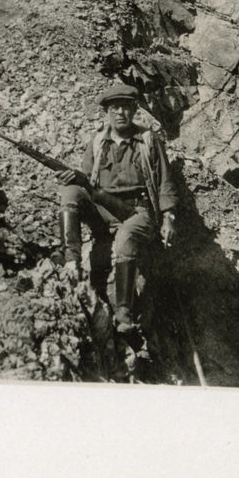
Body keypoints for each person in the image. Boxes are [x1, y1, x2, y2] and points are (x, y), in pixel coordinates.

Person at [57, 82, 179, 378]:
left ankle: (123, 314)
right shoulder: (97, 142)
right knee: (69, 192)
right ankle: (70, 258)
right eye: (114, 108)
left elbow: (164, 182)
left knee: (125, 241)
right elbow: (86, 181)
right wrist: (75, 178)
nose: (120, 113)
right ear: (107, 113)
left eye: (126, 107)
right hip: (102, 209)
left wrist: (168, 218)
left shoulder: (148, 141)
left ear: (135, 110)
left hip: (137, 211)